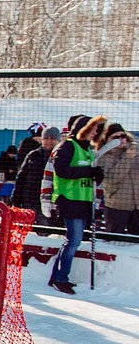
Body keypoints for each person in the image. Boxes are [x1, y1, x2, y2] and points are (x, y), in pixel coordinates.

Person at [48, 114, 109, 294]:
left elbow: (87, 175)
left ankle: (57, 276)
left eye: (97, 131)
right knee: (73, 241)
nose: (94, 134)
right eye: (92, 130)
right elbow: (61, 170)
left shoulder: (88, 149)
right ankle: (61, 279)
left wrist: (97, 174)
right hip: (69, 200)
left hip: (83, 201)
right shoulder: (68, 146)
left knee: (73, 240)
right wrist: (88, 171)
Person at [12, 125, 60, 226]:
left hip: (49, 204)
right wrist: (16, 198)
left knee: (45, 231)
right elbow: (21, 178)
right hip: (29, 201)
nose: (49, 141)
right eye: (46, 138)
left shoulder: (60, 157)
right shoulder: (33, 155)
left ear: (58, 140)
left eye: (52, 138)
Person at [98, 123, 139, 235]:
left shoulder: (135, 151)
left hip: (137, 206)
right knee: (114, 239)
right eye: (115, 137)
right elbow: (112, 179)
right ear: (107, 140)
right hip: (117, 206)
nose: (120, 139)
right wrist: (127, 158)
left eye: (123, 136)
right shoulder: (104, 157)